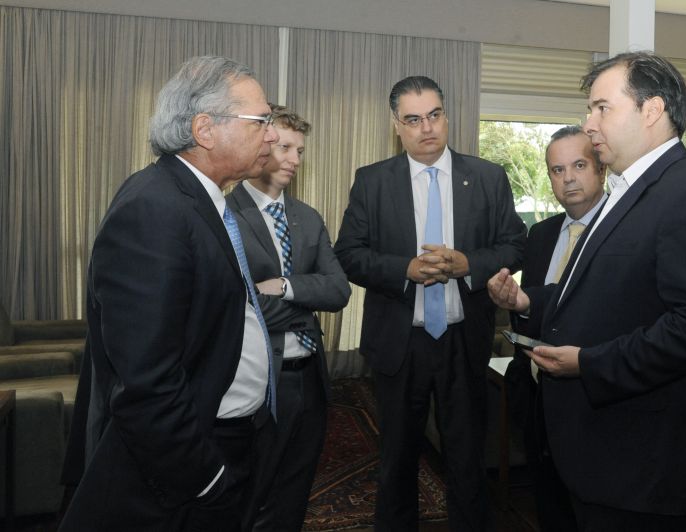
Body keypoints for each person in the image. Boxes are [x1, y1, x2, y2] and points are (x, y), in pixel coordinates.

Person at [488, 51, 686, 532]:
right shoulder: (629, 191)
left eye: (602, 108)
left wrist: (589, 362)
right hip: (609, 459)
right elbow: (605, 292)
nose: (589, 122)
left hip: (650, 470)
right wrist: (529, 302)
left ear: (652, 110)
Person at [59, 56, 280, 532]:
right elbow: (147, 382)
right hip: (185, 473)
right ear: (205, 129)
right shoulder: (154, 209)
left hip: (225, 439)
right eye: (262, 120)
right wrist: (205, 478)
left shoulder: (199, 197)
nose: (273, 134)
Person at [334, 75, 526, 531]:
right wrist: (405, 269)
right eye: (414, 119)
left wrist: (467, 263)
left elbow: (516, 245)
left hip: (464, 341)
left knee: (466, 458)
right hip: (401, 343)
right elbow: (349, 254)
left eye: (434, 115)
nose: (427, 128)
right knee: (397, 459)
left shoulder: (486, 177)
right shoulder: (372, 181)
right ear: (396, 124)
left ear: (446, 115)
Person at [226, 105, 351, 532]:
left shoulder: (307, 217)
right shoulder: (227, 214)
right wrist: (301, 305)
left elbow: (339, 291)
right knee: (253, 492)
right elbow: (240, 305)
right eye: (284, 147)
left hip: (310, 378)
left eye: (299, 150)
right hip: (260, 379)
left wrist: (283, 286)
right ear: (260, 146)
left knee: (296, 491)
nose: (294, 159)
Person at [504, 125, 605, 532]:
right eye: (557, 170)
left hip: (593, 400)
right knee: (550, 508)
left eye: (579, 165)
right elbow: (534, 311)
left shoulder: (618, 232)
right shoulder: (541, 234)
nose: (569, 178)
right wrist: (516, 304)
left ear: (600, 168)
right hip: (537, 397)